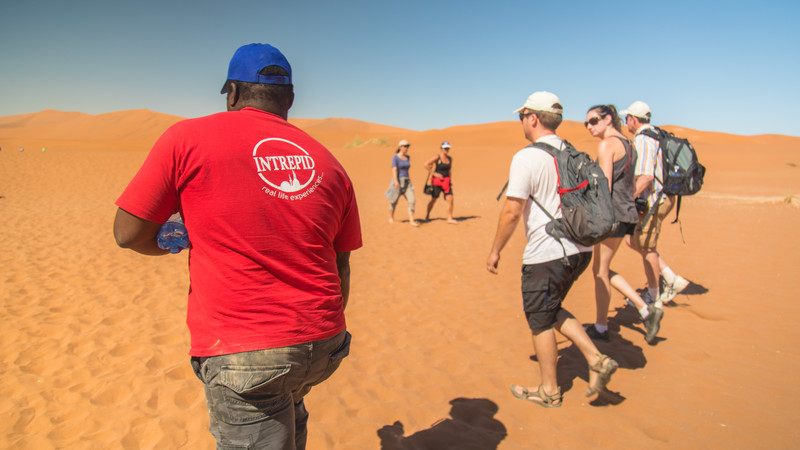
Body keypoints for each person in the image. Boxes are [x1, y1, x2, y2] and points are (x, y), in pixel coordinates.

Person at [113, 43, 362, 449]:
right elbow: (341, 264)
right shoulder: (330, 161)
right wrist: (312, 333)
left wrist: (173, 240)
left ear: (231, 92)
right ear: (290, 99)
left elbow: (127, 233)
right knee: (288, 411)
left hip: (246, 350)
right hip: (324, 343)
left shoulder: (187, 138)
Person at [487, 91, 618, 408]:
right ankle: (595, 358)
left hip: (548, 253)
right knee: (550, 307)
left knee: (540, 320)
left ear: (532, 118)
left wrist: (495, 250)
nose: (521, 121)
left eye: (522, 116)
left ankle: (549, 391)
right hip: (580, 249)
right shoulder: (573, 152)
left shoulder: (527, 157)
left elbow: (512, 210)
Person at [583, 105, 662, 344]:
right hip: (626, 214)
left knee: (600, 271)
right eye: (586, 123)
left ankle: (608, 324)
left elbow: (604, 187)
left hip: (612, 215)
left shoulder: (607, 145)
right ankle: (623, 317)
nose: (589, 126)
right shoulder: (628, 144)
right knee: (602, 269)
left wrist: (595, 216)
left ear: (608, 119)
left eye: (594, 120)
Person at [622, 101, 689, 307]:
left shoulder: (643, 139)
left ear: (633, 119)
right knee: (634, 242)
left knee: (647, 247)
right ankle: (670, 279)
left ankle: (653, 297)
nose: (626, 122)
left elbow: (645, 177)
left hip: (654, 200)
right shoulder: (657, 135)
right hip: (664, 198)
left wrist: (628, 197)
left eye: (627, 118)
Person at [385, 139, 419, 226]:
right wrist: (396, 181)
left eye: (407, 146)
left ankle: (411, 220)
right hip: (397, 181)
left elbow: (407, 171)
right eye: (405, 146)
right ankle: (391, 217)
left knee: (412, 200)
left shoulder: (408, 157)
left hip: (407, 181)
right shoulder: (395, 157)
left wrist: (409, 181)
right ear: (400, 147)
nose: (406, 148)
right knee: (393, 201)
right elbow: (394, 169)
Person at [424, 141, 458, 223]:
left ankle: (449, 218)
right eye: (445, 148)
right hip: (437, 182)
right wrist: (434, 173)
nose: (446, 150)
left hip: (446, 182)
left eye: (447, 148)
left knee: (450, 198)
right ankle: (427, 214)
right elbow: (426, 164)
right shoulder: (437, 157)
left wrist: (450, 179)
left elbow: (450, 170)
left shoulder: (450, 159)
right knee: (434, 199)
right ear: (441, 149)